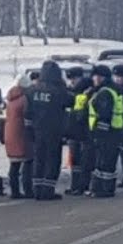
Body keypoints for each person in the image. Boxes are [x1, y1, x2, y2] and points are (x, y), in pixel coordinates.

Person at [26, 61, 74, 200]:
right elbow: (70, 101)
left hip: (37, 130)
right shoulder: (59, 91)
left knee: (39, 159)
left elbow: (27, 112)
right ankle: (48, 190)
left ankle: (37, 189)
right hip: (54, 130)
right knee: (52, 159)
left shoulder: (32, 91)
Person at [87, 64, 123, 198]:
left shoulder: (105, 93)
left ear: (101, 77)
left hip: (106, 133)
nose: (94, 79)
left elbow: (104, 114)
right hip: (114, 131)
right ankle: (107, 188)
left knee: (103, 161)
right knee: (108, 161)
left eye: (96, 76)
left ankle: (101, 189)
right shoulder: (112, 90)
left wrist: (98, 134)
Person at [64, 66, 94, 195]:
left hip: (85, 129)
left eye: (74, 79)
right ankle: (75, 185)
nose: (71, 81)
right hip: (73, 129)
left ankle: (83, 185)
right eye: (70, 79)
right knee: (75, 160)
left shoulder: (87, 91)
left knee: (85, 159)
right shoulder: (69, 91)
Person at [2, 79, 33, 199]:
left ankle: (14, 191)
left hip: (10, 132)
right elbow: (28, 115)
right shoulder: (24, 99)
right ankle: (28, 190)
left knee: (14, 164)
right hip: (21, 132)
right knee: (28, 162)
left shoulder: (10, 99)